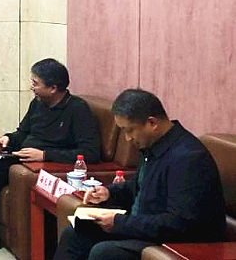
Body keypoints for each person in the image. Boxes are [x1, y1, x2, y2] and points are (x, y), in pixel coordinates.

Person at [0, 58, 101, 254]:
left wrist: (45, 155)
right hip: (22, 156)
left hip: (42, 164)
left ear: (53, 88)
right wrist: (8, 138)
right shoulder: (38, 103)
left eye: (35, 83)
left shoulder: (77, 109)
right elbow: (23, 132)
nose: (31, 87)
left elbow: (91, 152)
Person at [53, 89, 225, 260]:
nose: (127, 138)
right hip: (144, 227)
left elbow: (179, 223)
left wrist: (119, 223)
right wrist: (109, 193)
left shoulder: (188, 158)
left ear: (152, 123)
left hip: (175, 240)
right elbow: (140, 188)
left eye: (129, 130)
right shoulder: (151, 146)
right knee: (74, 236)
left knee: (105, 252)